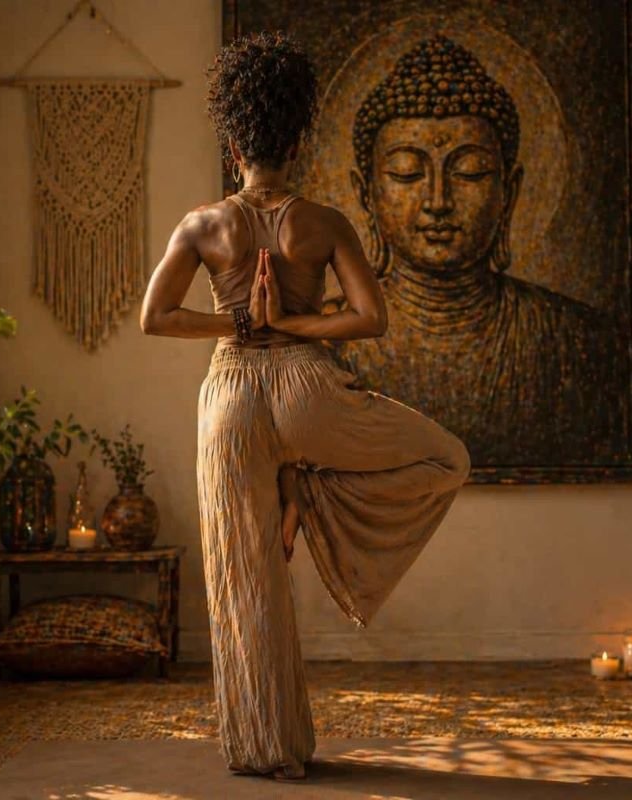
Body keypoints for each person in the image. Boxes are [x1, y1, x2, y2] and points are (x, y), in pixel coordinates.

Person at [139, 32, 470, 781]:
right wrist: (291, 323)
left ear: (233, 142)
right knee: (446, 457)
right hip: (306, 389)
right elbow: (370, 317)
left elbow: (155, 319)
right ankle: (308, 488)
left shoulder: (203, 225)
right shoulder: (321, 222)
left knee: (242, 575)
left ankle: (266, 750)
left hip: (228, 395)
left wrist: (241, 323)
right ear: (298, 138)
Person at [329, 34, 624, 466]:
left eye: (470, 171)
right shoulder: (330, 345)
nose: (437, 201)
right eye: (407, 173)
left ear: (511, 189)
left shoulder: (576, 341)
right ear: (366, 194)